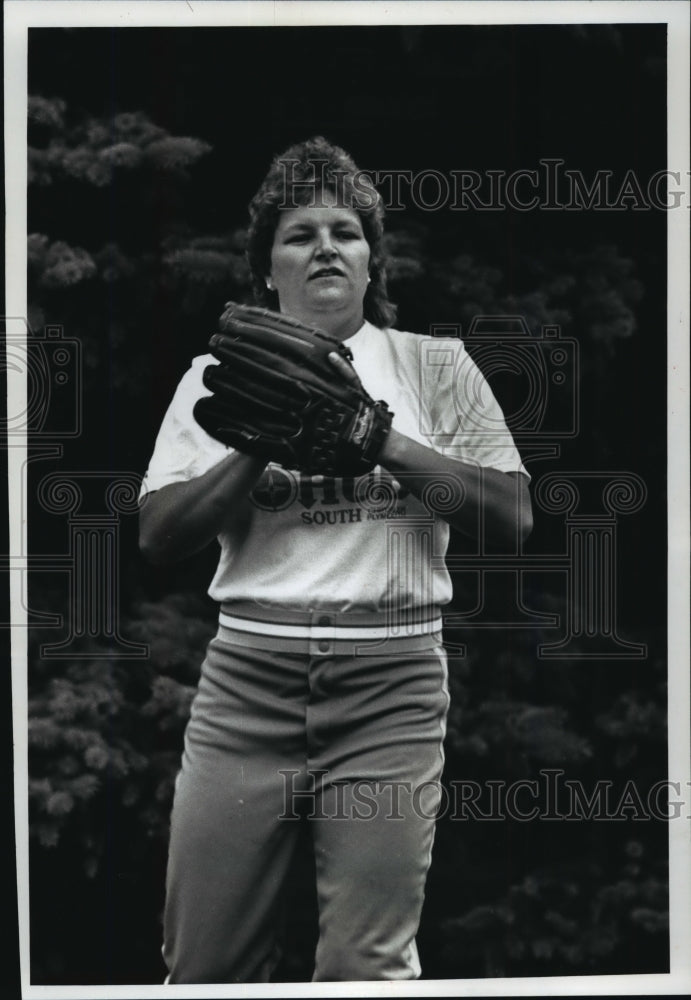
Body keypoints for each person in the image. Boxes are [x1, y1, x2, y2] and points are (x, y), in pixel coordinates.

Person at [138, 136, 533, 984]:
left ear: (369, 260)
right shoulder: (217, 376)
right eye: (299, 232)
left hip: (390, 686)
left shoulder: (435, 367)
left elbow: (511, 519)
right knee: (205, 962)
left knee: (366, 965)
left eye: (345, 231)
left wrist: (376, 436)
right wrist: (255, 442)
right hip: (249, 679)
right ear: (267, 268)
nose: (324, 246)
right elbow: (158, 537)